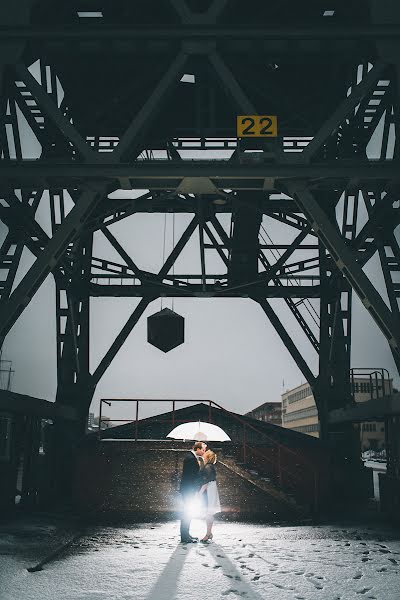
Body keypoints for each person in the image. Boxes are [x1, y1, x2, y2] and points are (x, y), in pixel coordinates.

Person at [179, 441, 206, 543]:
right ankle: (185, 537)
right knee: (187, 513)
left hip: (187, 489)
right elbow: (191, 476)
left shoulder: (191, 458)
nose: (204, 452)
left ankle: (186, 534)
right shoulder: (191, 459)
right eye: (203, 450)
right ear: (198, 449)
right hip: (188, 490)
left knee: (187, 513)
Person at [199, 449, 221, 542]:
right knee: (209, 512)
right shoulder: (210, 466)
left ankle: (208, 534)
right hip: (211, 490)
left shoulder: (208, 467)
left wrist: (200, 493)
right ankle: (209, 533)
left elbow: (206, 482)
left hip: (209, 491)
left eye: (205, 455)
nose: (203, 456)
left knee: (208, 513)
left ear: (207, 457)